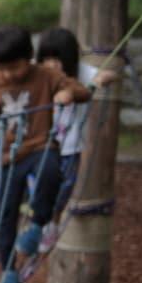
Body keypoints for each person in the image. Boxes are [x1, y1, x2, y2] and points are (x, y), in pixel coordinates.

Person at [0, 26, 90, 283]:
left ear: (30, 56)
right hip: (7, 155)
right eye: (1, 68)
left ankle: (38, 225)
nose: (8, 74)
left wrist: (66, 94)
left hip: (40, 145)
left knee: (51, 174)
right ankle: (8, 271)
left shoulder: (47, 75)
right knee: (4, 216)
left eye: (14, 67)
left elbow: (82, 91)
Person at [34, 28, 117, 253]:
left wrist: (101, 78)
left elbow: (110, 74)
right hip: (41, 144)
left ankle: (51, 222)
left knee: (65, 187)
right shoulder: (38, 75)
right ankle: (38, 224)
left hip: (70, 145)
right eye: (47, 58)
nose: (52, 64)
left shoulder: (81, 73)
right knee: (40, 185)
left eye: (57, 58)